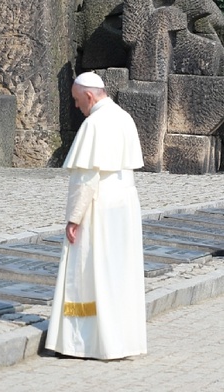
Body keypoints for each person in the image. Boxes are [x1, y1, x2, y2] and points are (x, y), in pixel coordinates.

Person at [44, 72, 147, 360]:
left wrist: (74, 218)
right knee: (119, 273)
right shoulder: (124, 117)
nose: (77, 107)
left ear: (89, 96)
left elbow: (86, 178)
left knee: (89, 271)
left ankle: (83, 343)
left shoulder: (94, 124)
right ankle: (121, 342)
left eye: (77, 101)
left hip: (99, 206)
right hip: (125, 204)